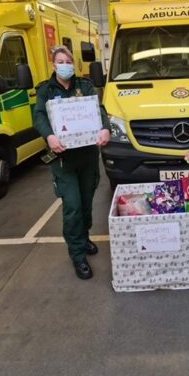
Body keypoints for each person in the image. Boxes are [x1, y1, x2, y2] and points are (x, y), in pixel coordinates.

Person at [34, 46, 111, 280]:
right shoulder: (46, 90)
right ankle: (77, 255)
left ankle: (84, 237)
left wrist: (105, 128)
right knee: (73, 206)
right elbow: (39, 116)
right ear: (54, 64)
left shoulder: (84, 86)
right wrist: (49, 135)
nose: (65, 64)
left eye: (68, 61)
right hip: (62, 159)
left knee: (86, 202)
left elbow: (99, 110)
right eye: (60, 61)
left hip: (87, 156)